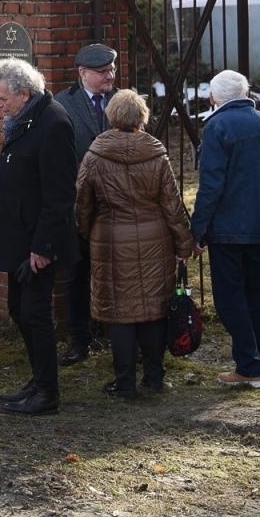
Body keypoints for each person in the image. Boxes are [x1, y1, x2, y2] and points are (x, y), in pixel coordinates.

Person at [74, 89, 193, 399]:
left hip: (110, 238)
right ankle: (154, 376)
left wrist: (87, 233)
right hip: (156, 240)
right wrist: (184, 244)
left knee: (119, 314)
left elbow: (82, 203)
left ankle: (124, 380)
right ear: (142, 117)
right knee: (152, 310)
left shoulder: (95, 155)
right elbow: (172, 204)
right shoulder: (156, 153)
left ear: (112, 116)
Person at [0, 57, 78, 416]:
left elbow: (59, 194)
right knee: (17, 309)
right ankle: (38, 380)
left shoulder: (52, 123)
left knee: (35, 313)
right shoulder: (24, 120)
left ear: (24, 93)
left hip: (38, 242)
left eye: (2, 99)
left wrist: (43, 248)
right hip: (17, 237)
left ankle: (47, 391)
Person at [189, 70, 260, 390]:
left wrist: (197, 230)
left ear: (213, 98)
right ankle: (259, 354)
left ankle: (249, 364)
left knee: (230, 298)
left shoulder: (217, 127)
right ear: (246, 93)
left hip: (228, 229)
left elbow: (211, 186)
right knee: (258, 292)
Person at [55, 43, 118, 365]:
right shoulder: (63, 104)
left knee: (117, 273)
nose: (109, 76)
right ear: (82, 74)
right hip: (78, 207)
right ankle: (79, 338)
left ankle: (118, 336)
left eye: (111, 69)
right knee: (76, 274)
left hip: (117, 208)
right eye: (101, 71)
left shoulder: (124, 102)